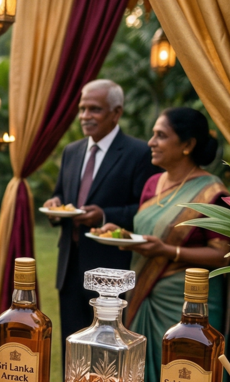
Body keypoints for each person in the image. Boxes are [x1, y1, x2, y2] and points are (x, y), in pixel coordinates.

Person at [96, 107, 230, 382]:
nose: (151, 142)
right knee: (139, 375)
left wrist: (168, 251)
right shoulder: (152, 184)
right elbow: (150, 232)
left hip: (186, 303)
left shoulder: (213, 192)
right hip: (143, 294)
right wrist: (120, 233)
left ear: (187, 144)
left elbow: (223, 254)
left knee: (183, 381)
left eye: (161, 135)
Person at [43, 80, 157, 347]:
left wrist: (104, 216)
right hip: (69, 267)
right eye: (82, 109)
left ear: (116, 113)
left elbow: (146, 210)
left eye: (94, 109)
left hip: (112, 270)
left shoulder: (139, 153)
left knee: (108, 349)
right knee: (73, 346)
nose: (85, 116)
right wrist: (55, 207)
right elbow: (61, 196)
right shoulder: (72, 151)